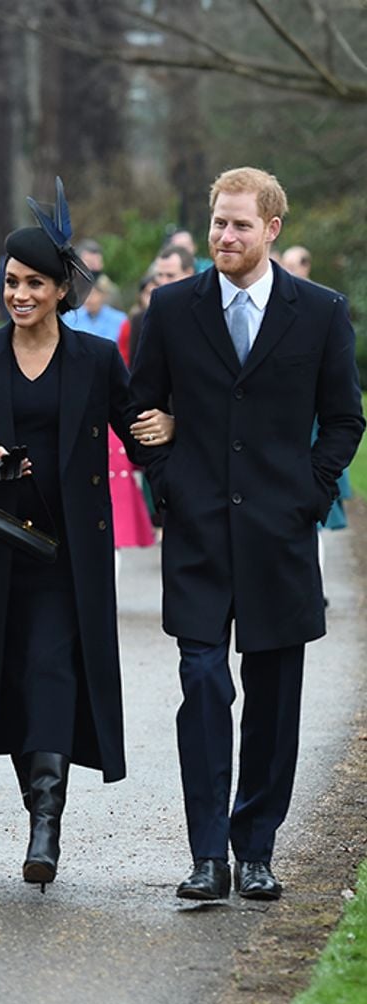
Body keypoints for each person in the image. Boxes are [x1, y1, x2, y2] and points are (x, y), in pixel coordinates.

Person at [0, 179, 171, 889]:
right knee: (7, 686)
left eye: (34, 282)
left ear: (62, 290)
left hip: (69, 556)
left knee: (53, 673)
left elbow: (137, 426)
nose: (19, 294)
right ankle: (37, 803)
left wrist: (173, 434)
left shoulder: (95, 361)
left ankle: (46, 823)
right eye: (10, 281)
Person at [130, 167, 364, 903]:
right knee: (201, 682)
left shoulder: (321, 312)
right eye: (218, 223)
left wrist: (307, 494)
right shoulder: (172, 309)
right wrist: (167, 480)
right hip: (198, 533)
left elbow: (346, 416)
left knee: (272, 695)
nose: (225, 237)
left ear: (272, 229)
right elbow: (140, 412)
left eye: (240, 225)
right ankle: (206, 855)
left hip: (279, 536)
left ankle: (255, 847)